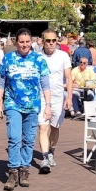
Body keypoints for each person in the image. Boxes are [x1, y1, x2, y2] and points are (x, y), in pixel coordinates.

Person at [0, 28, 51, 190]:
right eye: (21, 42)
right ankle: (13, 172)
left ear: (31, 42)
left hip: (32, 105)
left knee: (28, 139)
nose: (24, 45)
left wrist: (48, 105)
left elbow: (45, 84)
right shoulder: (8, 58)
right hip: (12, 104)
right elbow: (1, 83)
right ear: (16, 42)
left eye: (27, 42)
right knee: (14, 137)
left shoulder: (38, 59)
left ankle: (24, 170)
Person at [37, 29, 73, 172]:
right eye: (48, 40)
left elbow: (69, 77)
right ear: (43, 41)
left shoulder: (63, 56)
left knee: (54, 127)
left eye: (54, 40)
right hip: (41, 96)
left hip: (58, 96)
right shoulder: (37, 57)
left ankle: (51, 151)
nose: (51, 43)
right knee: (43, 127)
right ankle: (45, 158)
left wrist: (69, 97)